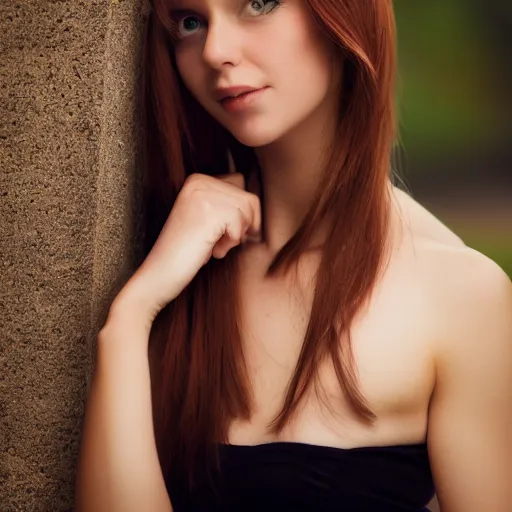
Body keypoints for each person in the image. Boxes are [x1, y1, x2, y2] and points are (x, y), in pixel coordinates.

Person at [75, 0, 512, 511]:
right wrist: (130, 317)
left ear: (345, 16)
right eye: (190, 22)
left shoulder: (462, 296)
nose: (214, 51)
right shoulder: (170, 263)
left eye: (259, 3)